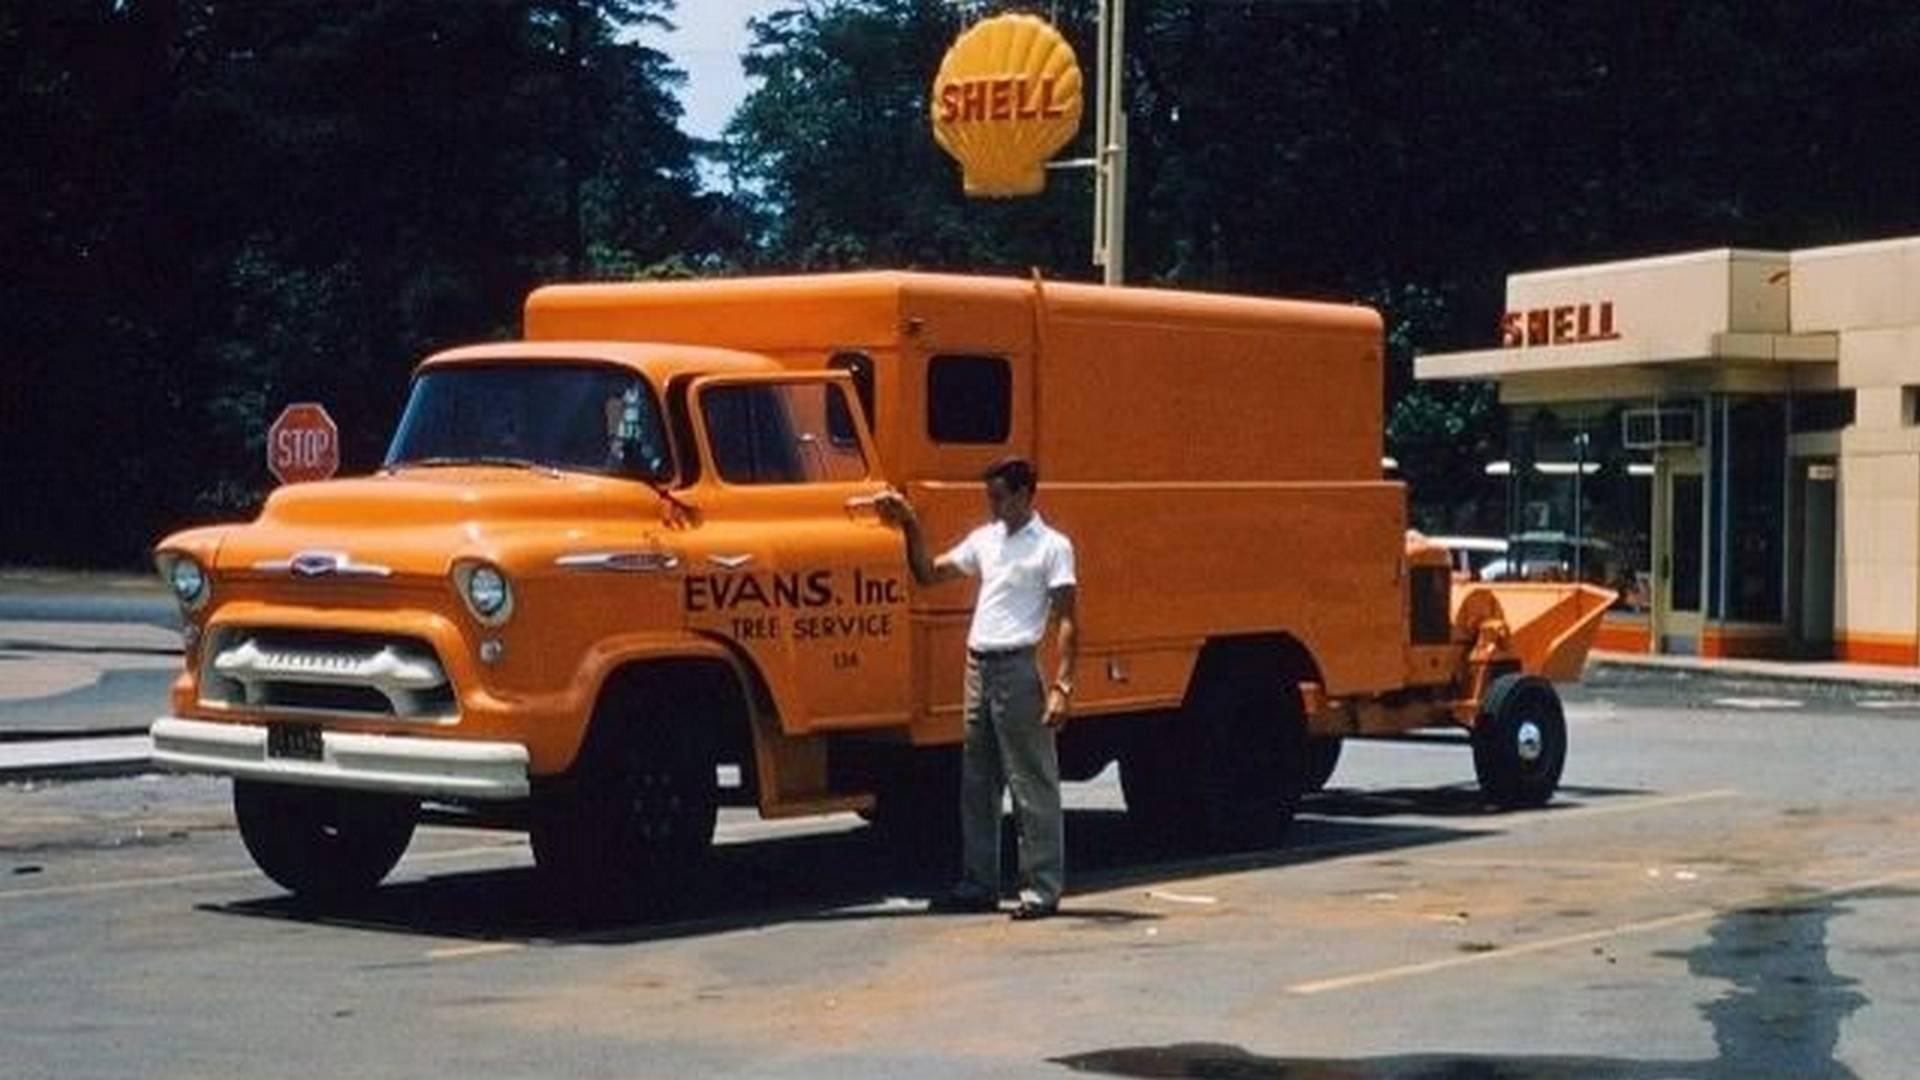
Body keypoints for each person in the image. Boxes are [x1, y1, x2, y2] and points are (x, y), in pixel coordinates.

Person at [875, 457, 1079, 920]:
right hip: (979, 664)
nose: (992, 505)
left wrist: (1062, 685)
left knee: (1030, 780)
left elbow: (1067, 618)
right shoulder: (986, 540)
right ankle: (979, 883)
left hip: (1017, 665)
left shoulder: (1052, 546)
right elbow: (929, 573)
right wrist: (909, 522)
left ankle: (1041, 888)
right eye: (990, 496)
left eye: (999, 496)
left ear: (1024, 494)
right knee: (978, 780)